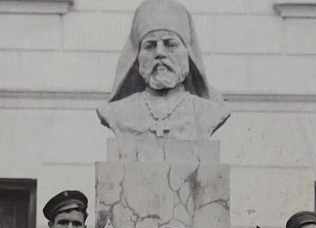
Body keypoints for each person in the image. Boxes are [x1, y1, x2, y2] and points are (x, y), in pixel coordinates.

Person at [96, 0, 230, 140]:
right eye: (150, 45)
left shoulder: (208, 112)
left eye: (170, 44)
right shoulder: (117, 112)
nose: (160, 52)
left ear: (188, 54)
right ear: (137, 58)